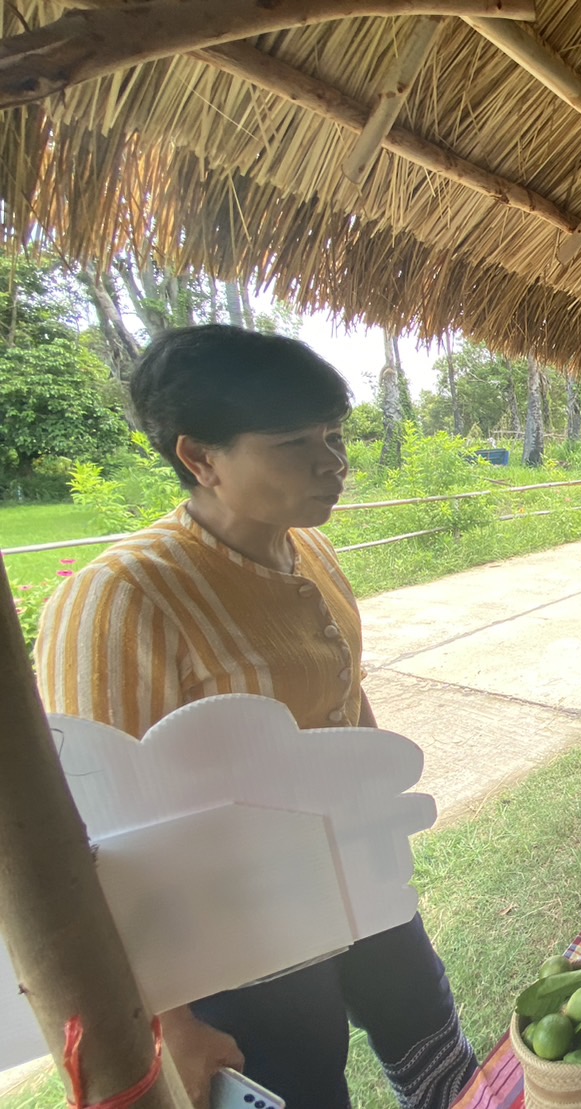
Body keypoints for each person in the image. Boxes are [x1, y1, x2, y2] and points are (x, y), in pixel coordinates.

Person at [36, 325, 478, 1109]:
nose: (332, 461)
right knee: (306, 1090)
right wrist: (168, 1021)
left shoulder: (309, 551)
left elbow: (346, 706)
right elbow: (92, 836)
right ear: (199, 458)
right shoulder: (122, 597)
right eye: (292, 441)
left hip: (360, 885)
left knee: (442, 1060)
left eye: (334, 434)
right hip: (234, 945)